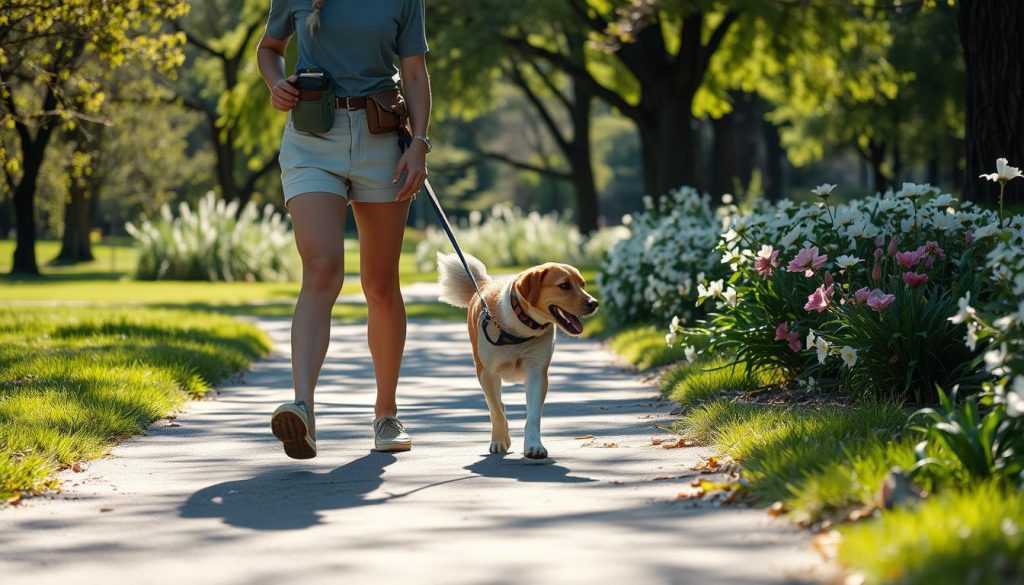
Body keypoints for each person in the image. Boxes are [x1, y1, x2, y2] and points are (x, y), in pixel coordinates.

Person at [255, 0, 432, 459]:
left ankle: (386, 414)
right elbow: (269, 48)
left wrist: (419, 144)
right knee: (322, 269)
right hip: (311, 139)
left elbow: (414, 73)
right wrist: (276, 84)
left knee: (380, 284)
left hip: (382, 140)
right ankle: (303, 409)